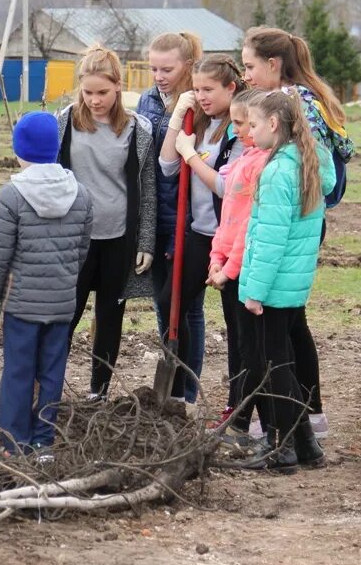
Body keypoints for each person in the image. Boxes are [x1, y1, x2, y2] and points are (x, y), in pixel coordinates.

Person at [239, 26, 354, 439]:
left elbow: (313, 166)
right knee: (290, 324)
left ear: (273, 64)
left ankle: (292, 419)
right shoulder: (306, 97)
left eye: (250, 66)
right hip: (299, 221)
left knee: (281, 330)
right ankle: (303, 417)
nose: (246, 74)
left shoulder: (293, 104)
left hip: (290, 223)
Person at [0, 112, 93, 456]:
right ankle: (44, 439)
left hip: (22, 305)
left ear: (19, 150)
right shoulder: (81, 194)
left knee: (18, 371)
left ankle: (14, 441)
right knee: (51, 373)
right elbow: (82, 249)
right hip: (60, 304)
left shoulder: (12, 197)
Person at [239, 90, 335, 473]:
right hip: (294, 284)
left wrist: (254, 291)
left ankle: (282, 446)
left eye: (253, 123)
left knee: (275, 364)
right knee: (285, 361)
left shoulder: (278, 171)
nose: (248, 131)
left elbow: (270, 240)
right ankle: (306, 444)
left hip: (275, 286)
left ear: (274, 125)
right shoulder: (309, 162)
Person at [56, 44, 156, 401]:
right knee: (66, 313)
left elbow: (146, 188)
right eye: (88, 92)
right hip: (74, 237)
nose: (95, 100)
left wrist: (145, 242)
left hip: (118, 236)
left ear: (118, 87)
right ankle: (51, 385)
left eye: (103, 92)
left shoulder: (137, 129)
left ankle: (98, 390)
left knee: (110, 318)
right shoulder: (65, 120)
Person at [158, 53, 246, 403]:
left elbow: (228, 187)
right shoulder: (200, 123)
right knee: (171, 304)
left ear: (231, 87)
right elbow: (167, 166)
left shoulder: (240, 129)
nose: (202, 96)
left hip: (232, 238)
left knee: (236, 323)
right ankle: (179, 393)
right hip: (200, 235)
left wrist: (191, 157)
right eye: (196, 89)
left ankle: (237, 403)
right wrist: (179, 121)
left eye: (208, 89)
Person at [134, 32, 207, 404]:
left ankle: (187, 393)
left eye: (167, 68)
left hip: (191, 218)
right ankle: (171, 385)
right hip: (157, 216)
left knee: (187, 305)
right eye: (153, 68)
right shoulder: (146, 101)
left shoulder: (199, 102)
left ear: (188, 67)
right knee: (164, 305)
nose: (158, 76)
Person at [207, 88, 270, 443]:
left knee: (251, 349)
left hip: (244, 269)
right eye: (233, 123)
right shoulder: (243, 161)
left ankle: (246, 421)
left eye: (243, 123)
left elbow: (247, 227)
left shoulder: (261, 166)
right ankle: (241, 415)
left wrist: (228, 269)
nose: (237, 131)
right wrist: (216, 258)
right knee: (240, 343)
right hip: (228, 266)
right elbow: (227, 220)